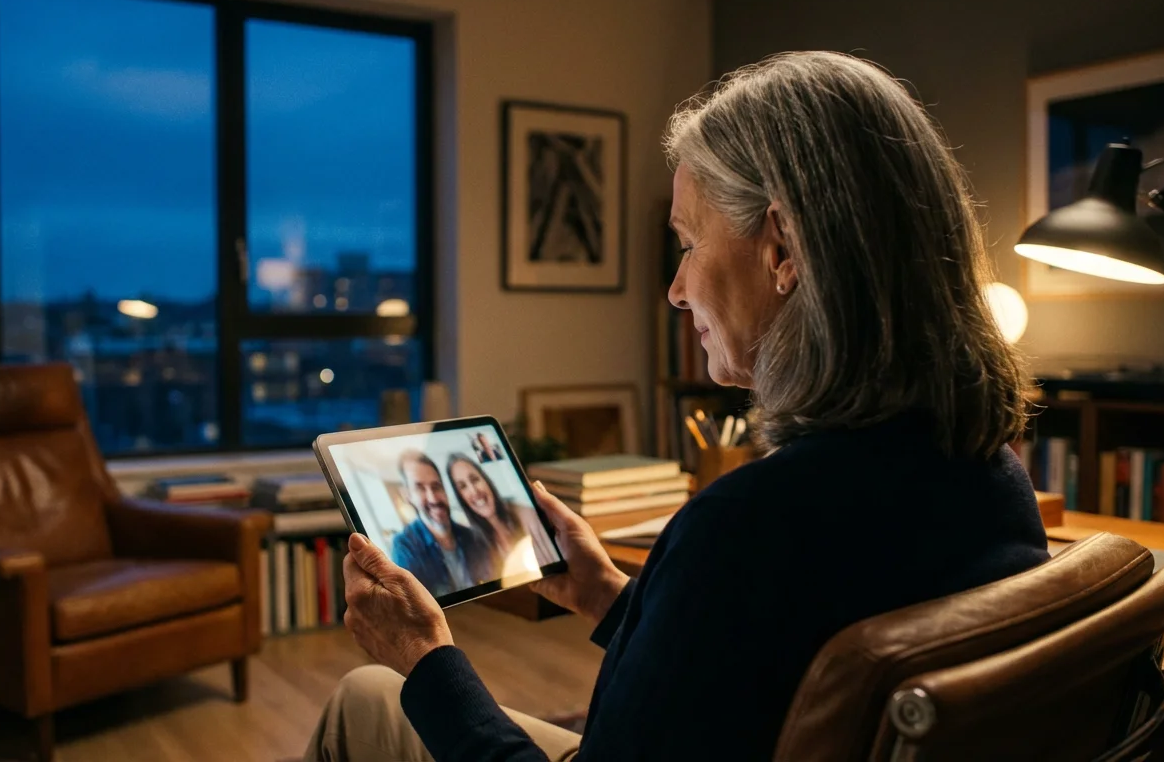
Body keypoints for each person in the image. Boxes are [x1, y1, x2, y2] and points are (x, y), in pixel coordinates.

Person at [306, 52, 1050, 761]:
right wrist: (607, 595)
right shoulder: (990, 477)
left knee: (367, 698)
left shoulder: (744, 529)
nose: (675, 288)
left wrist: (428, 658)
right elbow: (746, 666)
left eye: (689, 243)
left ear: (782, 249)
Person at [388, 450, 494, 598]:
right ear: (408, 495)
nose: (433, 498)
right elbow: (412, 605)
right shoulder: (404, 546)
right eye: (420, 488)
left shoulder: (472, 536)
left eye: (436, 486)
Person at [446, 453, 560, 574]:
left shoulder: (528, 516)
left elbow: (554, 570)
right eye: (463, 486)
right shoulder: (475, 545)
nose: (474, 491)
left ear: (486, 480)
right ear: (461, 497)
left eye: (475, 479)